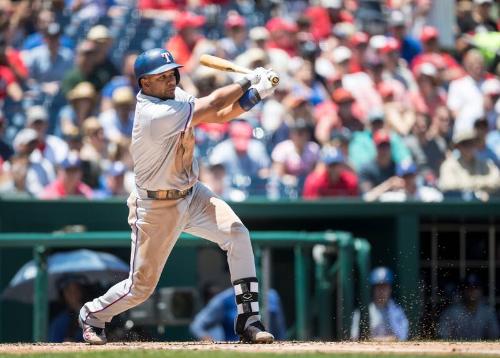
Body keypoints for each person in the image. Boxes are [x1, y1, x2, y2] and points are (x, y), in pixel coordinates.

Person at [78, 48, 278, 345]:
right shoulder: (152, 113)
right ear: (145, 83)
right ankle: (93, 314)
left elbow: (220, 115)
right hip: (156, 206)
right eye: (163, 76)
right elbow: (214, 102)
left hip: (193, 193)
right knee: (140, 288)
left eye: (173, 72)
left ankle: (249, 320)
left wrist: (257, 94)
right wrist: (248, 80)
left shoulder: (175, 96)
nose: (171, 79)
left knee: (237, 234)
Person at [190, 287, 286, 342]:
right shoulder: (224, 299)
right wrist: (210, 342)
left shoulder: (271, 296)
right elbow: (197, 325)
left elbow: (279, 329)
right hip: (237, 348)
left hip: (269, 346)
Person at [351, 267, 408, 341]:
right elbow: (354, 337)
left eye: (384, 287)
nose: (381, 291)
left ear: (390, 289)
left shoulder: (397, 311)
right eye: (378, 287)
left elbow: (402, 336)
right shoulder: (363, 311)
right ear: (373, 289)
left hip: (393, 350)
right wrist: (386, 340)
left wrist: (377, 340)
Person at [438, 274, 499, 340]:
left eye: (475, 287)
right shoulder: (451, 312)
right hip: (455, 348)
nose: (472, 291)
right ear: (462, 291)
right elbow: (442, 337)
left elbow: (494, 337)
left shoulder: (488, 312)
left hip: (481, 349)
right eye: (468, 288)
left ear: (481, 291)